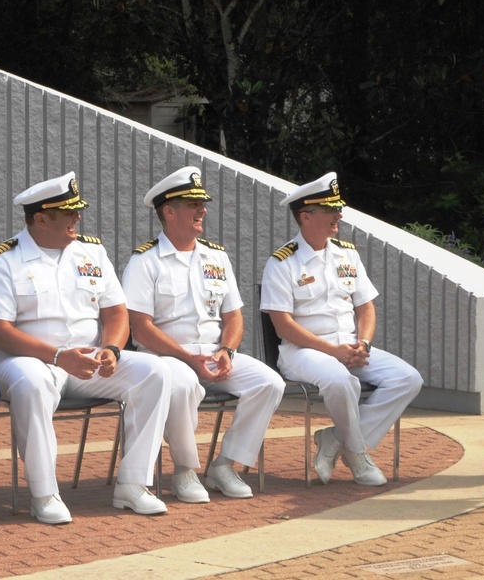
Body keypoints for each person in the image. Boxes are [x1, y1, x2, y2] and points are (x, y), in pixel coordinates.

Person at [0, 172, 172, 524]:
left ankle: (134, 483)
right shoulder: (3, 259)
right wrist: (57, 356)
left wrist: (112, 349)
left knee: (156, 372)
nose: (77, 218)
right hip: (25, 359)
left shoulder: (91, 251)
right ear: (40, 219)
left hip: (86, 358)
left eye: (77, 211)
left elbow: (116, 312)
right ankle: (44, 492)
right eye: (68, 213)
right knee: (33, 383)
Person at [121, 166, 284, 502]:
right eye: (193, 205)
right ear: (169, 211)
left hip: (214, 353)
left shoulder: (216, 256)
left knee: (269, 383)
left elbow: (234, 316)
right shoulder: (145, 261)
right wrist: (188, 359)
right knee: (183, 384)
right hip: (166, 357)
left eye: (202, 204)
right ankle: (185, 470)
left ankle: (225, 465)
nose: (203, 210)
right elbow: (140, 328)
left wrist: (226, 351)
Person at [260, 172, 423, 486]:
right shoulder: (282, 263)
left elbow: (366, 307)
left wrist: (363, 343)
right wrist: (333, 351)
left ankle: (336, 437)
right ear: (306, 217)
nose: (339, 215)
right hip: (303, 352)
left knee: (407, 378)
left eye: (338, 208)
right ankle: (358, 455)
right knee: (341, 380)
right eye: (330, 210)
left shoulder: (347, 254)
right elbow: (283, 325)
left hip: (349, 346)